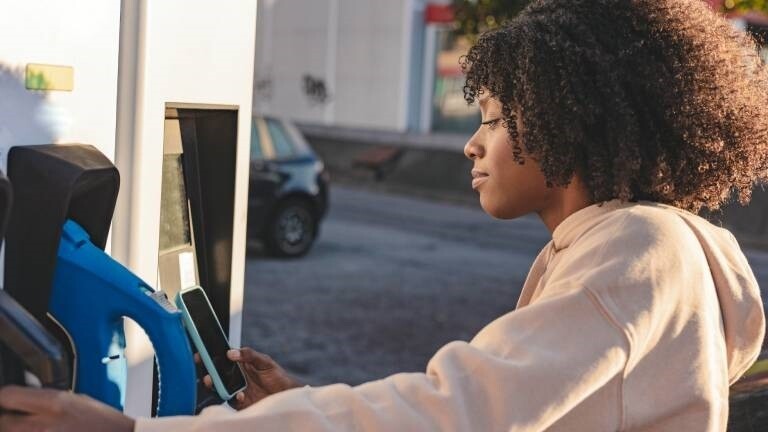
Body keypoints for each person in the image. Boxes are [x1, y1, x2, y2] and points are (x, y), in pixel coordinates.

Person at [2, 0, 768, 430]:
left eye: (495, 120)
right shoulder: (633, 250)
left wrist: (134, 431)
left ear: (574, 124)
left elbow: (455, 413)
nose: (471, 143)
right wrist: (305, 401)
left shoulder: (638, 251)